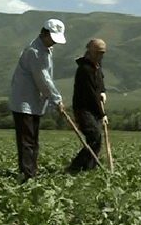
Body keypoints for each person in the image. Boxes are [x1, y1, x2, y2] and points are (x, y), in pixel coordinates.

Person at [8, 18, 68, 182]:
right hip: (24, 102)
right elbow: (43, 78)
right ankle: (28, 173)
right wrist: (57, 100)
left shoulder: (45, 49)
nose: (53, 43)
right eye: (52, 39)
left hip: (34, 102)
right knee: (27, 140)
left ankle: (32, 169)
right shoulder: (34, 51)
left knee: (33, 138)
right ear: (44, 33)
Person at [66, 38, 108, 173]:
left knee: (97, 139)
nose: (101, 56)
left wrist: (103, 92)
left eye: (103, 53)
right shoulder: (85, 69)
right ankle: (75, 168)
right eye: (99, 53)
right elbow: (91, 94)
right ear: (90, 52)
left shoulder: (97, 66)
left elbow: (99, 84)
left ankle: (89, 169)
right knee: (94, 136)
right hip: (83, 109)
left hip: (93, 108)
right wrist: (102, 115)